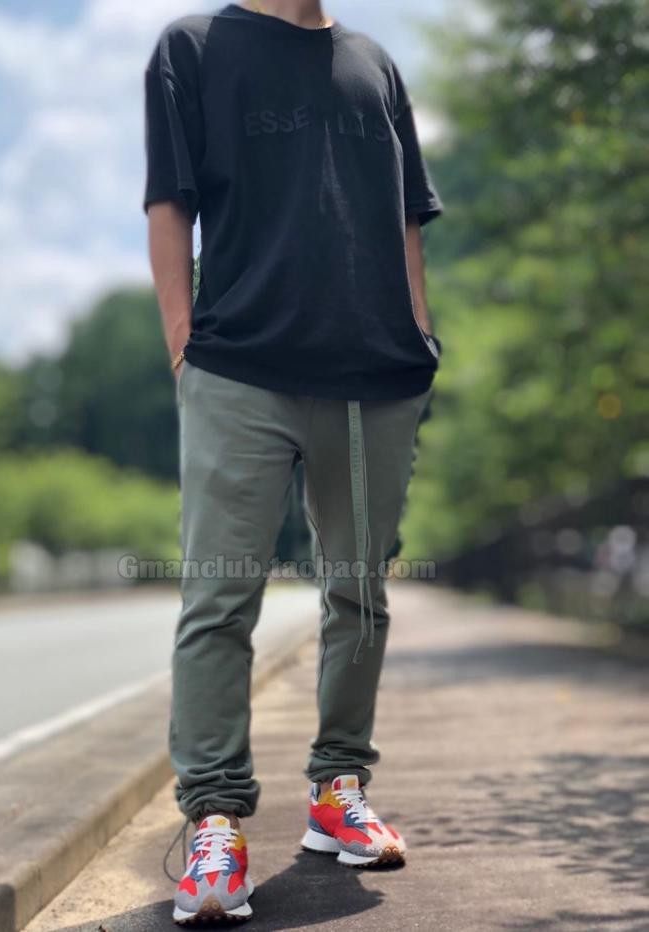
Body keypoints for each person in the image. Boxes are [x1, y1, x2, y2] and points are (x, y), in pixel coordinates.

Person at [144, 1, 444, 923]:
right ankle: (214, 822)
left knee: (359, 593)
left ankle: (337, 789)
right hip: (239, 368)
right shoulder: (193, 48)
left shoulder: (373, 66)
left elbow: (405, 218)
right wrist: (184, 348)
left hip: (373, 374)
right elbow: (169, 202)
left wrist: (420, 340)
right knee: (219, 594)